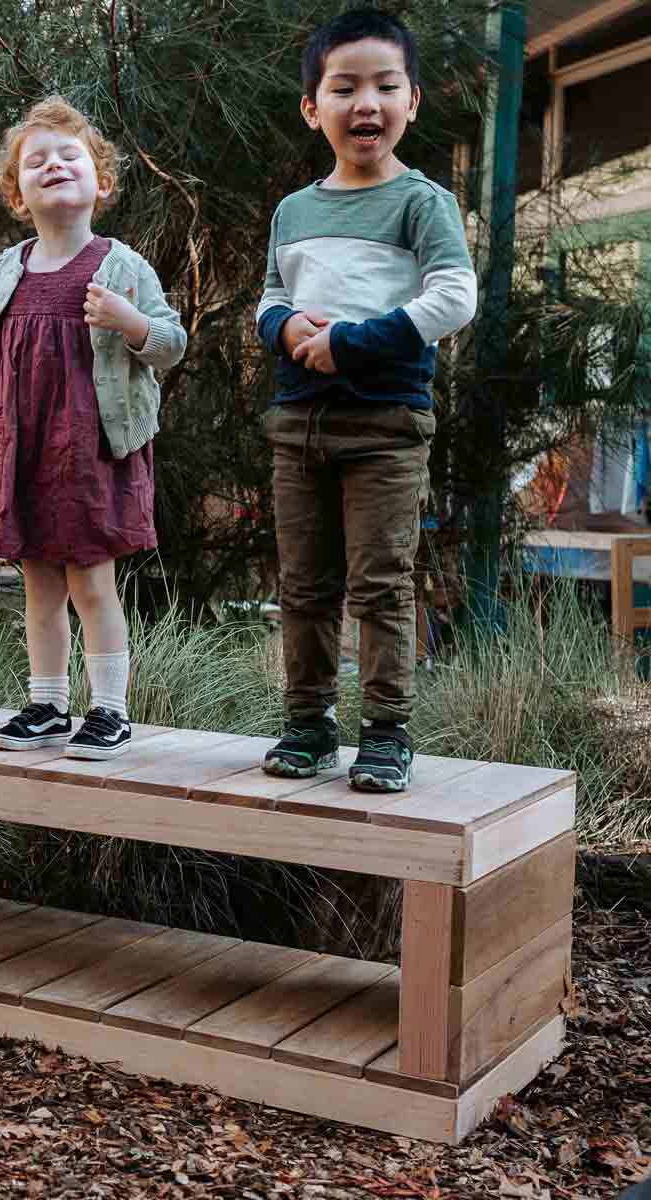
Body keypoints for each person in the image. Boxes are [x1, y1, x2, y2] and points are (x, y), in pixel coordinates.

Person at [254, 9, 477, 792]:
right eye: (344, 87)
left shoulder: (422, 203)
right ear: (314, 108)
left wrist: (350, 341)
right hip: (298, 424)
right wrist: (283, 330)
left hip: (385, 425)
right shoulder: (295, 210)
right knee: (304, 585)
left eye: (386, 86)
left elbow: (454, 297)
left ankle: (386, 731)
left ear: (412, 101)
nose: (366, 103)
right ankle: (307, 724)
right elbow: (270, 298)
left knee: (380, 582)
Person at [0, 96, 186, 760]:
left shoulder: (121, 268)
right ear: (18, 192)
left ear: (101, 181)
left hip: (90, 451)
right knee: (37, 580)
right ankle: (46, 705)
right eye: (35, 160)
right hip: (23, 449)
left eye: (69, 156)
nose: (53, 165)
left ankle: (110, 712)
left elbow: (169, 343)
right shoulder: (2, 272)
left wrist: (130, 322)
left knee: (90, 581)